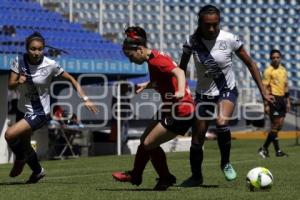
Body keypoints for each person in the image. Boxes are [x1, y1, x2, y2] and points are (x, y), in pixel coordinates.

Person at [178, 5, 274, 186]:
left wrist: (263, 91)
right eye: (208, 25)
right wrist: (180, 91)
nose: (212, 29)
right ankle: (196, 177)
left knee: (222, 123)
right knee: (197, 138)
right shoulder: (191, 42)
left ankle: (225, 163)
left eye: (215, 24)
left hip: (226, 90)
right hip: (203, 94)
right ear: (200, 23)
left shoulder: (229, 39)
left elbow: (251, 64)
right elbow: (181, 69)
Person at [5, 32, 98, 184]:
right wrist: (18, 82)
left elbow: (72, 79)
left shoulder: (50, 64)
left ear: (43, 49)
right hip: (22, 110)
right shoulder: (19, 61)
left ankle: (20, 159)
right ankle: (37, 171)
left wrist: (85, 99)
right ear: (27, 49)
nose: (36, 52)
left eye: (39, 49)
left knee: (9, 135)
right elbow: (10, 85)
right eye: (33, 49)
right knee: (25, 143)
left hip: (40, 112)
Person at [112, 26, 195, 190]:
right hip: (170, 107)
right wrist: (147, 85)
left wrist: (179, 91)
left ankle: (164, 177)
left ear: (140, 49)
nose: (130, 60)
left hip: (181, 110)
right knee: (145, 141)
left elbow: (178, 72)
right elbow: (161, 79)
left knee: (149, 143)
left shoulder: (156, 61)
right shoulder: (155, 57)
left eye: (130, 55)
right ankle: (137, 175)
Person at [258, 49, 289, 158]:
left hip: (282, 100)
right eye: (273, 58)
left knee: (279, 126)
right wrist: (266, 104)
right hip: (273, 99)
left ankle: (276, 151)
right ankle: (265, 148)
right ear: (271, 59)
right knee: (275, 125)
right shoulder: (268, 71)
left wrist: (288, 101)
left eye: (277, 57)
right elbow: (265, 89)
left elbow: (285, 86)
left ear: (280, 58)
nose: (276, 59)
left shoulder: (283, 70)